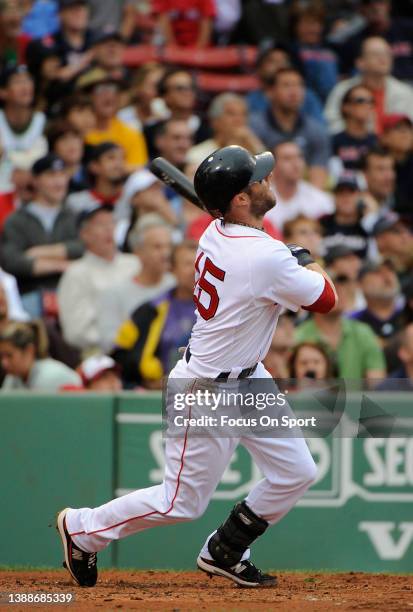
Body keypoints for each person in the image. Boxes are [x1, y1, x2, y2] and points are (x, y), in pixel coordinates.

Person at [57, 144, 338, 589]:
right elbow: (327, 299)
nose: (268, 179)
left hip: (249, 379)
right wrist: (305, 258)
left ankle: (225, 549)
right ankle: (83, 528)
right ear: (240, 200)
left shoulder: (219, 230)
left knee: (296, 471)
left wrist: (286, 256)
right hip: (205, 389)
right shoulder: (263, 255)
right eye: (257, 179)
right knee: (180, 503)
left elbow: (264, 255)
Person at [1, 154, 83, 317]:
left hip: (75, 293)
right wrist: (63, 265)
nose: (59, 182)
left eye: (62, 175)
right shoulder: (16, 220)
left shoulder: (76, 216)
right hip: (31, 295)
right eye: (51, 175)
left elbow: (84, 248)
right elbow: (13, 262)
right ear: (36, 180)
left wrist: (38, 252)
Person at [113, 241, 197, 389]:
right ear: (172, 269)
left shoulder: (222, 309)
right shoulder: (150, 310)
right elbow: (120, 353)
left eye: (199, 264)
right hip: (157, 394)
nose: (195, 271)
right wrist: (147, 376)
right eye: (187, 264)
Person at [57, 204, 138, 356]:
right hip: (101, 352)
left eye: (111, 223)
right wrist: (117, 340)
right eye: (100, 225)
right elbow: (75, 332)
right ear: (84, 234)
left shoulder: (135, 263)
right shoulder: (76, 273)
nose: (108, 229)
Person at [97, 214, 175, 353]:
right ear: (138, 252)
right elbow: (109, 343)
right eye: (157, 247)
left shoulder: (179, 286)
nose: (166, 253)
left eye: (168, 246)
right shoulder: (113, 294)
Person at [250, 68, 331, 189]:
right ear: (270, 92)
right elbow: (252, 173)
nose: (294, 92)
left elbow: (317, 179)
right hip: (264, 194)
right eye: (286, 85)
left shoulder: (317, 130)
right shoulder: (253, 126)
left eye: (299, 85)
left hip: (304, 198)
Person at [295, 273, 386, 380]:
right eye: (331, 286)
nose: (340, 291)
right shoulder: (297, 337)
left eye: (342, 285)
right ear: (314, 294)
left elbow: (377, 383)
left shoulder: (363, 333)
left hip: (358, 396)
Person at [325, 37, 413, 134]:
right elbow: (331, 124)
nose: (383, 58)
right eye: (376, 54)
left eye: (387, 54)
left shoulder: (405, 92)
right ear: (360, 62)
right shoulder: (342, 89)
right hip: (354, 146)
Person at [82, 71, 148, 171]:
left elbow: (138, 169)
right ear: (89, 96)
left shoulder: (131, 133)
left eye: (113, 90)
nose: (108, 96)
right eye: (101, 90)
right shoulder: (78, 132)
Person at [335, 0, 413, 82]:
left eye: (380, 2)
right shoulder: (355, 42)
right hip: (377, 87)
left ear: (389, 5)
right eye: (368, 3)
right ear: (361, 10)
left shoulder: (408, 29)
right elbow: (344, 75)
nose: (375, 7)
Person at [264, 141, 333, 231]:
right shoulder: (262, 200)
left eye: (299, 157)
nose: (296, 164)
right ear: (273, 165)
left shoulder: (321, 200)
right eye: (287, 158)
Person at [144, 68, 209, 159]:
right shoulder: (150, 131)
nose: (187, 92)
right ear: (165, 96)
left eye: (191, 88)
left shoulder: (208, 131)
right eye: (180, 88)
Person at [187, 93, 264, 166]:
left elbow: (269, 177)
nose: (238, 119)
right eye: (231, 114)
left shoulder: (252, 151)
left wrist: (252, 142)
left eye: (243, 114)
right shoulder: (196, 155)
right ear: (214, 121)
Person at [0, 320, 81, 390]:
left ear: (29, 350)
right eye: (1, 356)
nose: (4, 363)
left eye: (9, 355)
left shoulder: (50, 377)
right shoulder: (13, 377)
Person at [0, 65, 47, 179]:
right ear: (3, 92)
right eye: (17, 82)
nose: (25, 87)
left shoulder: (42, 120)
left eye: (28, 80)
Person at [290, 1, 338, 103]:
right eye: (307, 23)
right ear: (296, 26)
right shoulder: (291, 51)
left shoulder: (331, 50)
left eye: (317, 23)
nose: (313, 29)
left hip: (332, 102)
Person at [351, 261, 404, 349]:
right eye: (378, 272)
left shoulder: (408, 315)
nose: (387, 276)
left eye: (390, 270)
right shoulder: (352, 324)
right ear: (359, 284)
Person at [66, 142, 127, 215]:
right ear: (94, 166)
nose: (118, 164)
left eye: (122, 158)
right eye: (111, 158)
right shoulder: (75, 203)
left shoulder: (132, 201)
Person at [320, 173, 370, 259]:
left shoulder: (368, 226)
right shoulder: (321, 224)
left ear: (360, 196)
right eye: (341, 192)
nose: (346, 198)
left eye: (351, 192)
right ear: (334, 196)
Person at [331, 84, 377, 175]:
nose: (367, 106)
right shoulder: (334, 142)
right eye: (361, 101)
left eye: (371, 102)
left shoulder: (377, 141)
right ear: (346, 107)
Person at [379, 114, 413, 220]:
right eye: (398, 129)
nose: (405, 134)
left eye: (408, 129)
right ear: (385, 136)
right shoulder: (375, 162)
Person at [117, 63, 166, 133]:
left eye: (162, 87)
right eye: (153, 86)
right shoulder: (122, 118)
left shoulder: (168, 116)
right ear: (138, 88)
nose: (158, 92)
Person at [46, 120, 87, 194]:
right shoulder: (47, 180)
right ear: (53, 147)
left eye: (75, 137)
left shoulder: (96, 174)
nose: (71, 144)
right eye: (64, 139)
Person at [263, 314, 295, 379]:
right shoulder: (254, 364)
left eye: (291, 323)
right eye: (281, 325)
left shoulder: (297, 360)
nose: (289, 329)